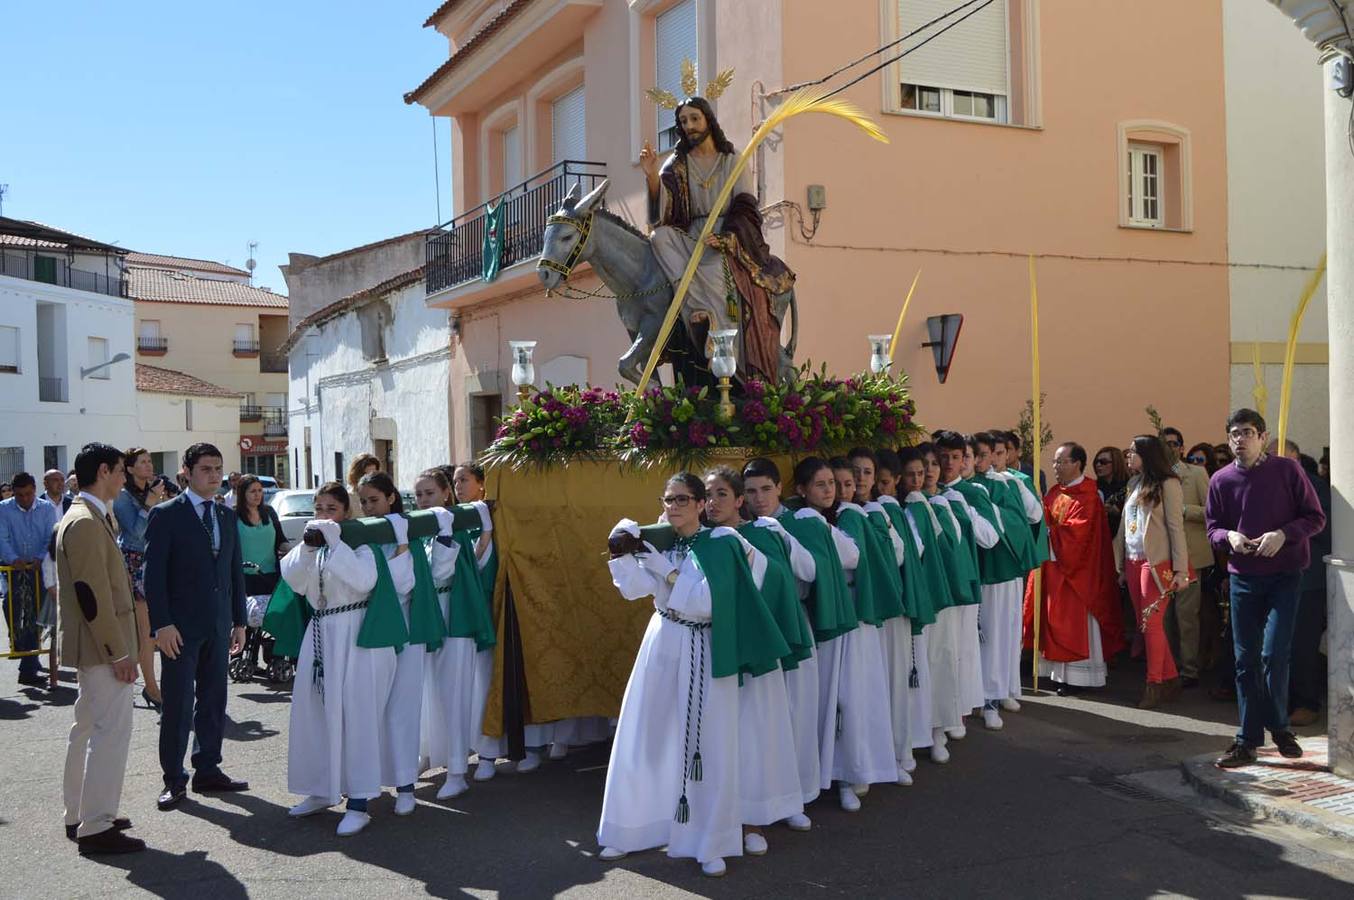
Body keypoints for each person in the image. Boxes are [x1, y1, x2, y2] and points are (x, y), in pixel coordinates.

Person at [601, 473, 788, 878]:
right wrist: (623, 553)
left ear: (701, 505)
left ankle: (711, 840)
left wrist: (666, 571)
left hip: (703, 646)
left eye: (683, 499)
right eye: (668, 499)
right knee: (647, 733)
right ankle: (632, 828)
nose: (674, 507)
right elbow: (634, 590)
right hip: (662, 640)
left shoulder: (720, 543)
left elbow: (707, 603)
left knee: (709, 744)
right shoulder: (661, 540)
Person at [279, 481, 402, 836]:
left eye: (331, 509)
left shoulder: (362, 544)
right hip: (321, 634)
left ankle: (360, 802)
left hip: (357, 636)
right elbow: (294, 580)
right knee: (316, 713)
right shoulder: (315, 547)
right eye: (318, 508)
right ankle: (321, 788)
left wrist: (337, 544)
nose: (323, 515)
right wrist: (307, 547)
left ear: (347, 513)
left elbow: (364, 581)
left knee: (358, 717)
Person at [641, 96, 794, 382]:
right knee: (659, 238)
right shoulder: (676, 165)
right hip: (690, 237)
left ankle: (722, 341)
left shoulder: (732, 159)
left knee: (712, 268)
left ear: (708, 120)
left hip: (724, 235)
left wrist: (727, 237)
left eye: (694, 119)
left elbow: (746, 206)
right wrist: (651, 178)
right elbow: (660, 216)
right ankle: (700, 309)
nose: (689, 126)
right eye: (683, 121)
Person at [1207, 409, 1326, 767]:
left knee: (1274, 654)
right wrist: (1229, 536)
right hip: (1243, 577)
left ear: (1263, 437)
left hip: (1285, 576)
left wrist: (1283, 534)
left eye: (1247, 432)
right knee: (1245, 660)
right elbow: (1212, 528)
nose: (1240, 439)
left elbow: (1315, 518)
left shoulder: (1288, 470)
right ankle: (1247, 740)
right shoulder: (1221, 480)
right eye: (1234, 433)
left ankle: (1279, 727)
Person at [703, 466, 806, 856]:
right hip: (715, 648)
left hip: (756, 647)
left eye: (722, 494)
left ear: (738, 500)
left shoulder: (760, 534)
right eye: (707, 495)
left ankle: (758, 814)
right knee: (722, 736)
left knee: (759, 732)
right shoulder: (698, 538)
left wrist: (745, 553)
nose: (713, 503)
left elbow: (779, 582)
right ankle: (720, 815)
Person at [144, 443, 249, 810]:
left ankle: (208, 768)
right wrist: (162, 624)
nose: (214, 475)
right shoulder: (166, 515)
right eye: (206, 469)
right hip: (179, 629)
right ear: (187, 472)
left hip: (218, 625)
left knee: (214, 700)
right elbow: (153, 577)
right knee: (177, 705)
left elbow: (234, 572)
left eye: (218, 468)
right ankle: (174, 779)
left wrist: (239, 621)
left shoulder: (226, 516)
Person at [57, 443, 146, 855]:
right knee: (109, 735)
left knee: (88, 729)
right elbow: (91, 596)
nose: (125, 478)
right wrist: (119, 653)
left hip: (97, 648)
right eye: (121, 471)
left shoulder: (92, 515)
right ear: (105, 471)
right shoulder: (86, 522)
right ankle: (96, 825)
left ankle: (81, 813)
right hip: (103, 650)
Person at [798, 458, 896, 810]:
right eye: (824, 483)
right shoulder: (800, 520)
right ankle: (819, 771)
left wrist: (821, 528)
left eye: (837, 483)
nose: (832, 490)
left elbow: (852, 557)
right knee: (823, 694)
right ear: (802, 490)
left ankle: (850, 771)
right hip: (821, 615)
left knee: (854, 695)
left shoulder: (850, 517)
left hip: (853, 613)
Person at [741, 457, 821, 826]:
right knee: (765, 718)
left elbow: (811, 571)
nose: (759, 498)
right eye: (751, 491)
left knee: (798, 710)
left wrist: (782, 535)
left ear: (779, 488)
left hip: (793, 621)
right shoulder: (736, 528)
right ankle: (766, 796)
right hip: (756, 628)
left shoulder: (795, 523)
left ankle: (798, 797)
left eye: (766, 489)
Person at [413, 468, 496, 800]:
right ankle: (428, 753)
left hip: (454, 615)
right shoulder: (420, 531)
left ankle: (458, 770)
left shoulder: (455, 529)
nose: (423, 500)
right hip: (428, 616)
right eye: (419, 495)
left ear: (446, 493)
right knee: (427, 692)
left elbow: (447, 571)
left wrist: (481, 532)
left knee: (454, 692)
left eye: (430, 493)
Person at [356, 471, 431, 816]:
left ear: (391, 498)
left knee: (403, 709)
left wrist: (401, 544)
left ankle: (405, 786)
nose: (368, 507)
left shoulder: (408, 531)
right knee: (367, 712)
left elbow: (402, 585)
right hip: (371, 632)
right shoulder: (361, 534)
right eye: (363, 501)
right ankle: (365, 783)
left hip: (406, 630)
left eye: (374, 500)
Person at [1025, 443, 1123, 695]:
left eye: (1061, 462)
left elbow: (1077, 536)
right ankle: (1057, 674)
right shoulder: (1055, 492)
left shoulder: (1088, 495)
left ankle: (1079, 678)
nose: (1056, 467)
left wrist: (1049, 532)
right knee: (1054, 621)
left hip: (1078, 574)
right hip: (1055, 569)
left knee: (1073, 625)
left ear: (1077, 463)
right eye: (1055, 462)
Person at [1113, 435, 1190, 709]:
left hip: (1157, 562)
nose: (1128, 456)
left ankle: (1154, 683)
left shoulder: (1168, 484)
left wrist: (1181, 570)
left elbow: (1176, 528)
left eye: (1133, 451)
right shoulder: (1134, 483)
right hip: (1133, 560)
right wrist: (1121, 564)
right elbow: (1126, 526)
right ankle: (1170, 679)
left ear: (1148, 455)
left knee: (1151, 623)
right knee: (1144, 623)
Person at [113, 449, 169, 710]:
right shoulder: (123, 497)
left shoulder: (154, 490)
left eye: (150, 461)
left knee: (158, 629)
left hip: (157, 560)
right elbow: (136, 531)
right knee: (146, 630)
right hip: (134, 563)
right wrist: (151, 502)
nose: (149, 465)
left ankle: (150, 682)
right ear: (130, 468)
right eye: (143, 462)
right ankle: (151, 687)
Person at [0, 471, 60, 686]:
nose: (24, 499)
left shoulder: (46, 509)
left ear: (35, 490)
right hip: (12, 569)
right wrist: (13, 559)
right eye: (19, 495)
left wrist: (40, 558)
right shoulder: (3, 509)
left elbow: (50, 537)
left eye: (28, 494)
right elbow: (2, 538)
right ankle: (19, 642)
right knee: (12, 604)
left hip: (39, 569)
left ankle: (28, 664)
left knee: (36, 612)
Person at [1165, 433, 1214, 689]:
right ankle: (1168, 667)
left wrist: (1183, 510)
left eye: (1173, 444)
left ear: (1182, 448)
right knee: (1164, 618)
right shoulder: (1154, 476)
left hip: (1191, 556)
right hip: (1162, 556)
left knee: (1186, 616)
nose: (1169, 448)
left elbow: (1212, 511)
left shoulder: (1195, 473)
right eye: (1164, 444)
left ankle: (1189, 668)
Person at [1289, 455, 1332, 726]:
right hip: (1271, 576)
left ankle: (1306, 702)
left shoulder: (1314, 487)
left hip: (1306, 578)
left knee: (1302, 644)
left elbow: (1324, 529)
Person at [235, 474, 286, 596]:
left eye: (259, 490)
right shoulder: (233, 516)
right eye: (253, 491)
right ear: (242, 494)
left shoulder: (269, 512)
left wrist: (297, 550)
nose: (257, 494)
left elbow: (281, 540)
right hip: (244, 579)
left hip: (271, 577)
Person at [1093, 446, 1130, 536]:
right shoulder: (1093, 487)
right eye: (1096, 462)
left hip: (1122, 536)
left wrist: (1117, 512)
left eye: (1103, 462)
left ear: (1116, 463)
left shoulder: (1129, 485)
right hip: (1099, 536)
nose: (1098, 465)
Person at [345, 453, 381, 518]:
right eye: (366, 475)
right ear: (356, 475)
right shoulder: (348, 499)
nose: (370, 479)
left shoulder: (380, 496)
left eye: (373, 475)